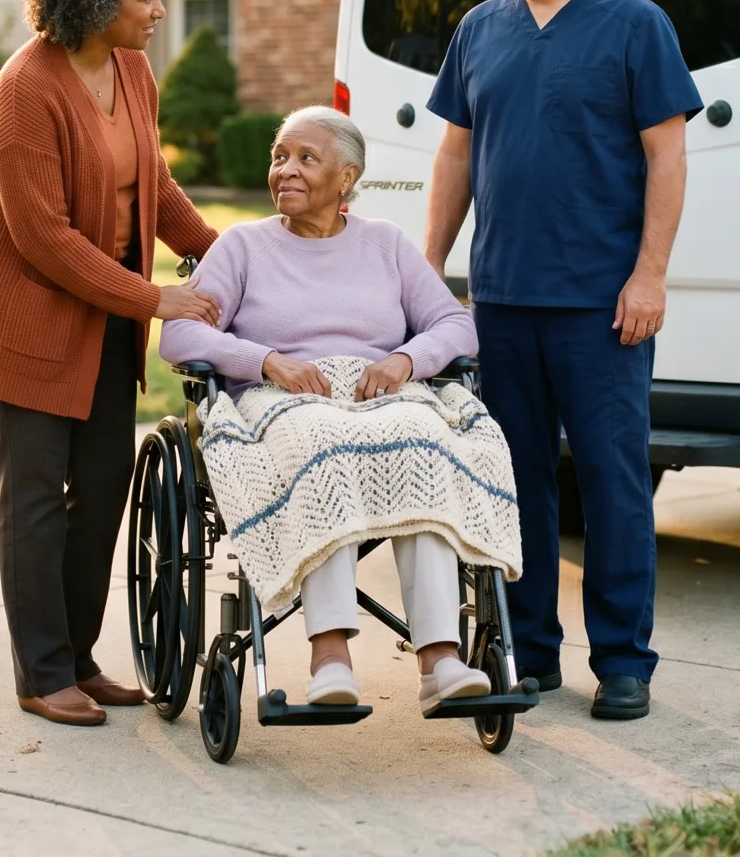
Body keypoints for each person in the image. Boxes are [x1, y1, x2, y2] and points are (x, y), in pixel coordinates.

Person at [424, 0, 703, 722]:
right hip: (502, 300)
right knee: (516, 484)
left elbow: (666, 155)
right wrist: (425, 273)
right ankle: (530, 648)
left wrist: (648, 275)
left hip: (600, 305)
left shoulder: (634, 25)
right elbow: (456, 155)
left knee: (614, 482)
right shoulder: (480, 27)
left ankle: (622, 660)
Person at [0, 0, 221, 727]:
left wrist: (225, 257)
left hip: (105, 318)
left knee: (101, 487)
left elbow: (155, 185)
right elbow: (43, 238)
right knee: (33, 494)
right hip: (27, 318)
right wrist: (155, 297)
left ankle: (77, 656)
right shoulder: (25, 89)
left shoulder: (132, 73)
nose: (158, 10)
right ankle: (39, 672)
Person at [160, 107, 510, 714]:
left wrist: (405, 360)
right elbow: (181, 338)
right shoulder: (242, 246)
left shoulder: (387, 245)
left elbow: (456, 324)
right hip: (283, 401)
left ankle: (440, 662)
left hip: (382, 394)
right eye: (279, 157)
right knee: (320, 444)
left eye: (305, 159)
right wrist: (267, 360)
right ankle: (329, 658)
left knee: (422, 441)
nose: (285, 171)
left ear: (347, 178)